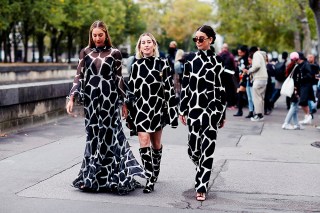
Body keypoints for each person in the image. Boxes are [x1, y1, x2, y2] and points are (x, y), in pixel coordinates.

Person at [66, 20, 145, 195]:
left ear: (106, 34)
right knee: (93, 136)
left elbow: (119, 80)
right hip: (92, 101)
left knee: (110, 138)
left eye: (100, 35)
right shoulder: (85, 52)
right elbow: (78, 76)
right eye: (94, 35)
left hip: (109, 101)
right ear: (91, 36)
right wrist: (71, 97)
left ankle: (112, 179)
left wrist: (124, 103)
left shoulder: (115, 53)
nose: (97, 38)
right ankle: (90, 178)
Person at [126, 32, 178, 193]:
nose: (146, 45)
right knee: (143, 139)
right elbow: (131, 90)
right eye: (143, 43)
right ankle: (149, 177)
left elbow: (170, 90)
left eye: (149, 42)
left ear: (154, 45)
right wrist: (128, 111)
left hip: (157, 110)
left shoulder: (163, 64)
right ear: (140, 47)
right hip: (141, 109)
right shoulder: (135, 65)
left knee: (156, 144)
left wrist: (172, 113)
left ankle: (155, 172)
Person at [179, 25, 227, 201]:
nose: (198, 42)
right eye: (196, 39)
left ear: (210, 40)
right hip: (194, 110)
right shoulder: (190, 62)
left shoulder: (219, 61)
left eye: (201, 38)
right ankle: (202, 167)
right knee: (193, 149)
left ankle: (202, 185)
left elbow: (222, 89)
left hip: (213, 111)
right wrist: (182, 110)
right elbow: (185, 88)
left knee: (208, 148)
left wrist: (222, 114)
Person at [243, 47, 268, 121]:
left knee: (256, 98)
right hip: (264, 78)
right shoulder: (262, 55)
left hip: (258, 78)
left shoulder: (256, 54)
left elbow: (257, 66)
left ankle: (258, 115)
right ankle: (261, 115)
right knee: (261, 98)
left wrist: (249, 71)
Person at [281, 52, 302, 130]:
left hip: (291, 90)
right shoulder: (296, 67)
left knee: (295, 107)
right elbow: (297, 81)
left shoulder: (290, 66)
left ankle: (296, 124)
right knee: (293, 106)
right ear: (297, 58)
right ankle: (286, 123)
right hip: (295, 90)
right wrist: (296, 92)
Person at [219, 43, 237, 109]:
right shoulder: (230, 55)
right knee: (230, 90)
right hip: (229, 74)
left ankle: (222, 103)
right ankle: (230, 104)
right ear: (227, 48)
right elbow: (234, 65)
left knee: (222, 89)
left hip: (221, 75)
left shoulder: (219, 55)